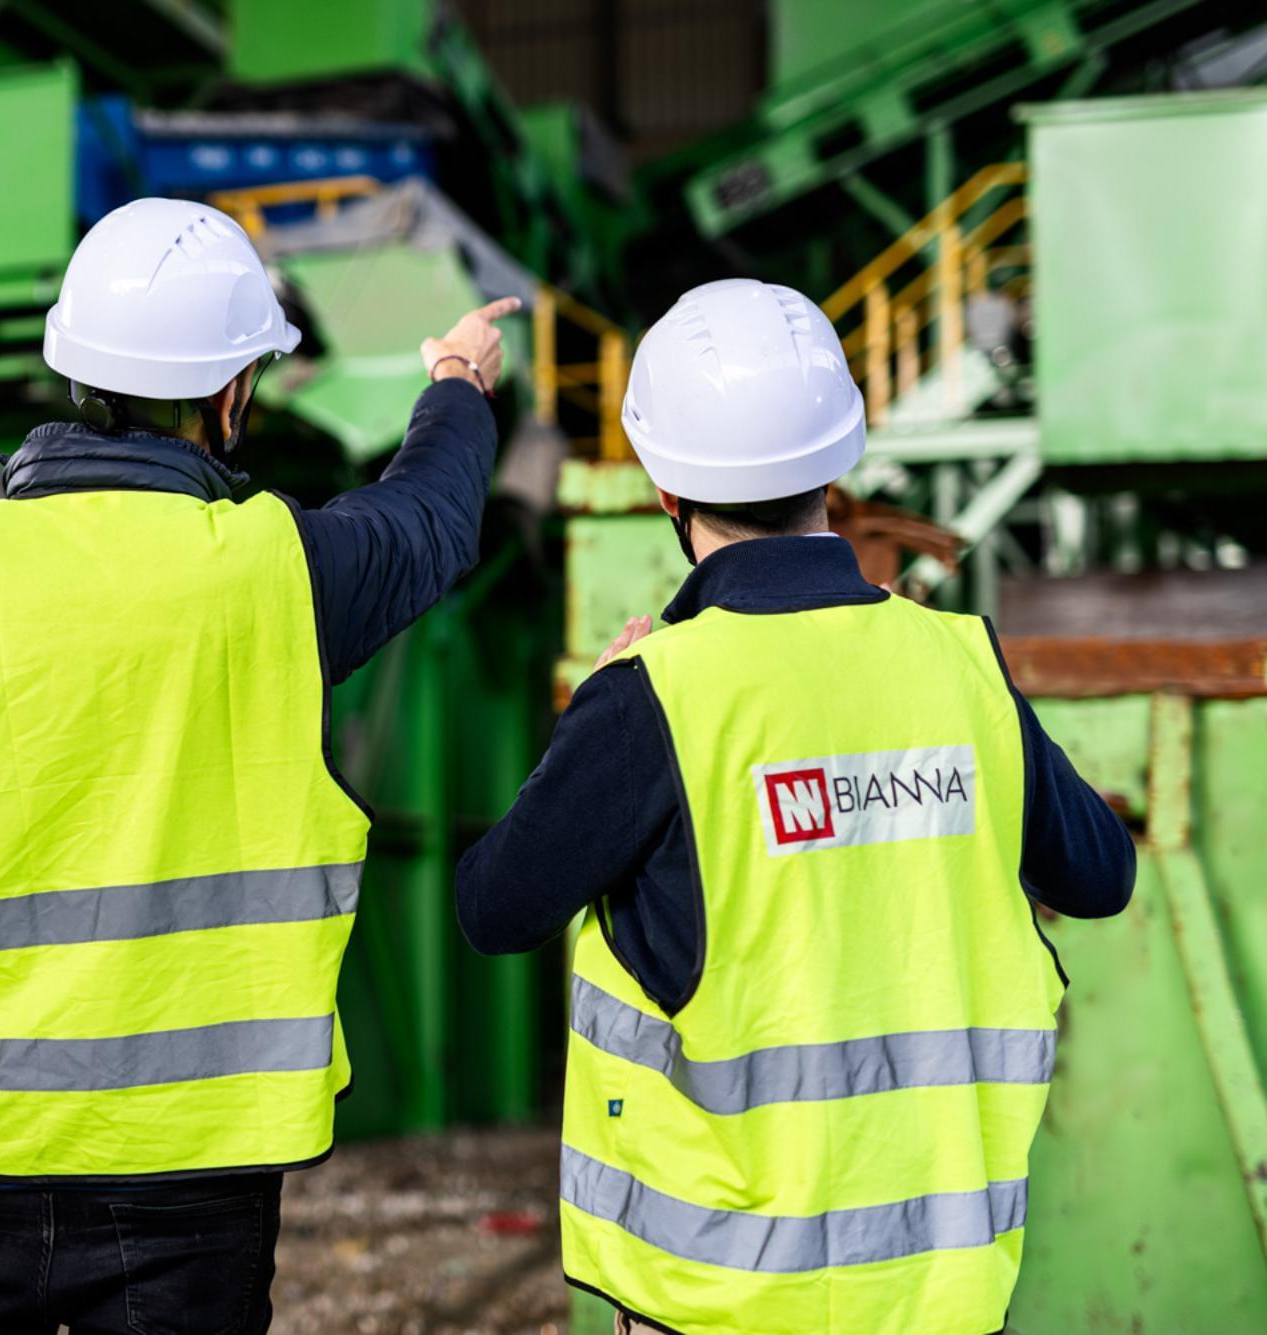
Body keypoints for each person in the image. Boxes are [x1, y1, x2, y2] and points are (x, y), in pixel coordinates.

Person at [0, 196, 517, 1334]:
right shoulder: (280, 571)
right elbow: (430, 518)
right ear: (232, 394)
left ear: (76, 373)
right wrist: (457, 383)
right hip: (196, 1177)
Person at [454, 278, 1134, 1335]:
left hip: (724, 1296)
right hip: (936, 1295)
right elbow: (1098, 875)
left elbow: (494, 908)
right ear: (836, 461)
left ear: (665, 489)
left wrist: (588, 720)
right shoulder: (961, 665)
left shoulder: (652, 697)